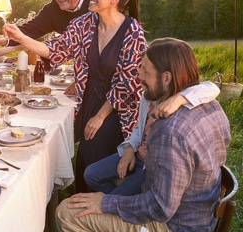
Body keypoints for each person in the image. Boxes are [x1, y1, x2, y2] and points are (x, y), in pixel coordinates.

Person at [55, 38, 232, 232]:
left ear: (167, 77)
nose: (139, 77)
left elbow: (159, 208)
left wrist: (105, 203)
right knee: (103, 185)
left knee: (67, 213)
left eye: (145, 72)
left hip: (176, 231)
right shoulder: (210, 106)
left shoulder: (169, 130)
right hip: (197, 214)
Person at [5, 0, 146, 192]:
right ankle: (82, 212)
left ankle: (102, 211)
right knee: (86, 160)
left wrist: (100, 117)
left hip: (118, 109)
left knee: (96, 158)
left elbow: (127, 84)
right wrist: (22, 38)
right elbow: (55, 50)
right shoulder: (84, 23)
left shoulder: (133, 33)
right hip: (88, 101)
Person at [83, 80, 220, 195]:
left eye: (146, 71)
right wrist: (130, 148)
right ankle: (129, 201)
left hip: (149, 167)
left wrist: (179, 99)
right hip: (138, 154)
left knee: (111, 201)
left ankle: (125, 203)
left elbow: (212, 88)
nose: (140, 75)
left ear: (165, 75)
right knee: (91, 175)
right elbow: (140, 127)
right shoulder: (147, 97)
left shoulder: (180, 101)